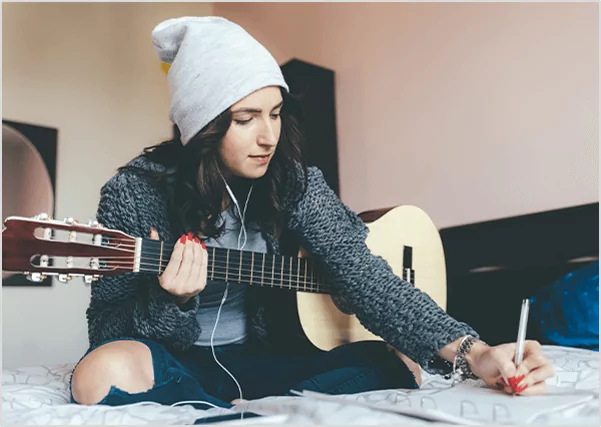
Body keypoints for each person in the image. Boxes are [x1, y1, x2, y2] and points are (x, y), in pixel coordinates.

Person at [71, 16, 554, 408]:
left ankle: (217, 406)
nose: (268, 136)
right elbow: (105, 328)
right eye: (246, 119)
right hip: (181, 358)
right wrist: (168, 301)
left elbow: (366, 278)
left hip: (268, 355)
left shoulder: (293, 181)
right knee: (99, 373)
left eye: (275, 113)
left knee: (398, 362)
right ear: (202, 127)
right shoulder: (134, 193)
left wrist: (477, 352)